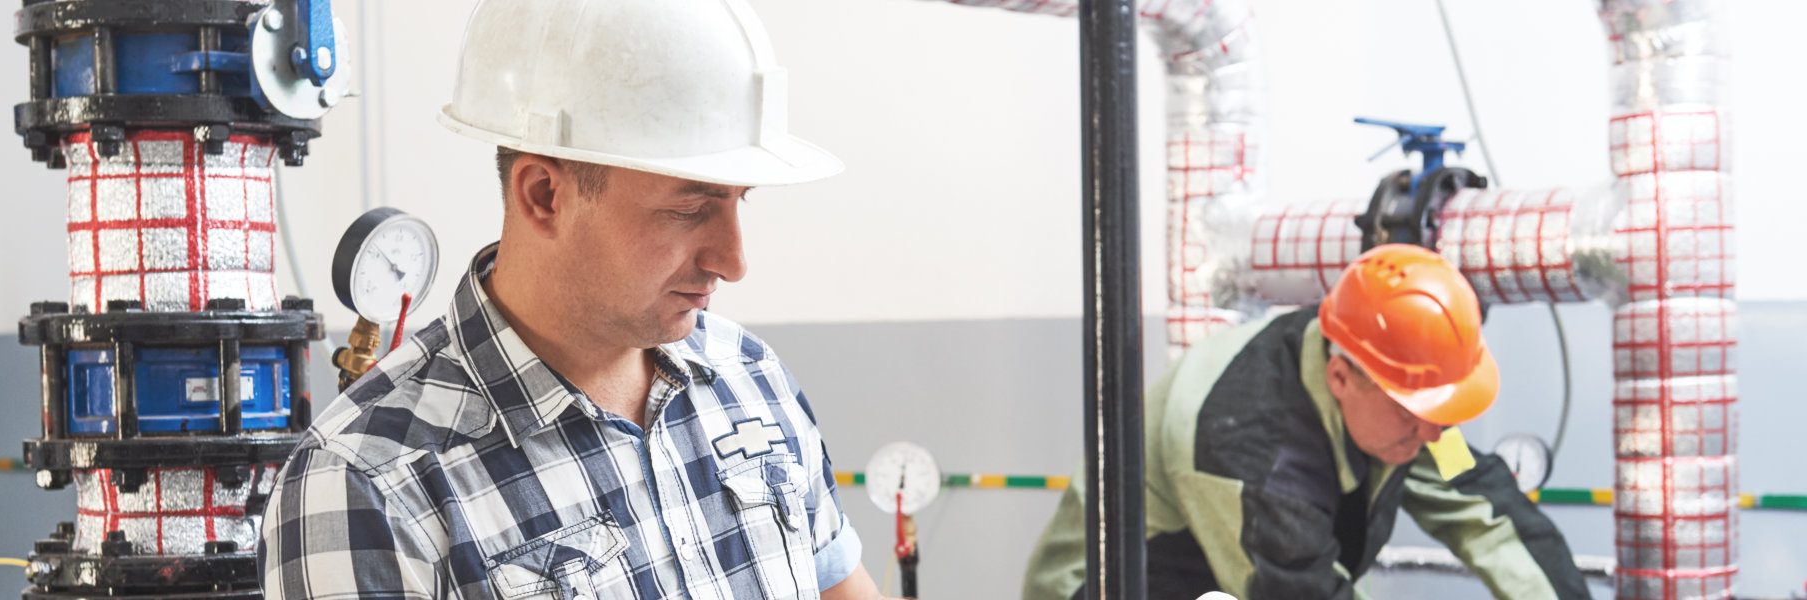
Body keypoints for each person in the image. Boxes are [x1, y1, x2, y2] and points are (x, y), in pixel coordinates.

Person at [259, 0, 895, 598]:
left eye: (738, 202)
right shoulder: (365, 485)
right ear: (544, 196)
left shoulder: (752, 380)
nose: (733, 260)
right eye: (689, 209)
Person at [1022, 244, 1592, 600]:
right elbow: (1299, 593)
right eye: (1414, 416)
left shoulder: (1411, 408)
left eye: (1441, 416)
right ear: (1341, 377)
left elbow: (1486, 507)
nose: (1433, 437)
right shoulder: (1250, 450)